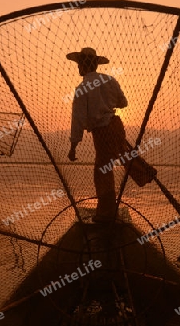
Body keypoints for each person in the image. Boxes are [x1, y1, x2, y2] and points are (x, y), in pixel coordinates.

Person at [66, 47, 156, 222]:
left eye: (79, 65)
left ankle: (106, 214)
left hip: (102, 130)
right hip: (116, 125)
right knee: (123, 153)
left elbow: (77, 120)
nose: (78, 68)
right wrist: (107, 103)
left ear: (83, 66)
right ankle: (146, 171)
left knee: (103, 170)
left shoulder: (82, 88)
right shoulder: (110, 80)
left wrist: (73, 146)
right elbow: (123, 103)